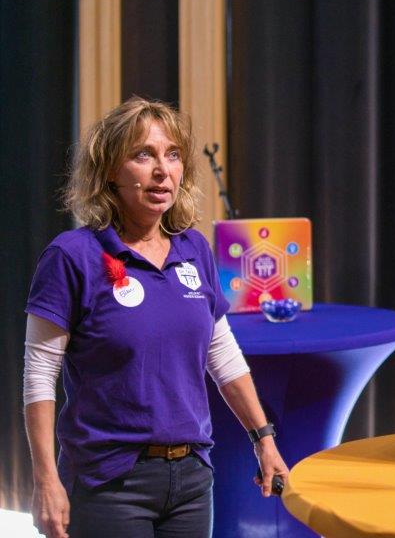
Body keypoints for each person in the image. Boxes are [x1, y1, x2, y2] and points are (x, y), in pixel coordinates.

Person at [23, 97, 288, 538]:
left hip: (191, 481)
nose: (163, 170)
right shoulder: (71, 256)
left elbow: (223, 356)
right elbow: (39, 374)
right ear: (110, 170)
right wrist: (46, 480)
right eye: (143, 155)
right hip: (109, 485)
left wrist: (264, 439)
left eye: (173, 154)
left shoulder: (194, 249)